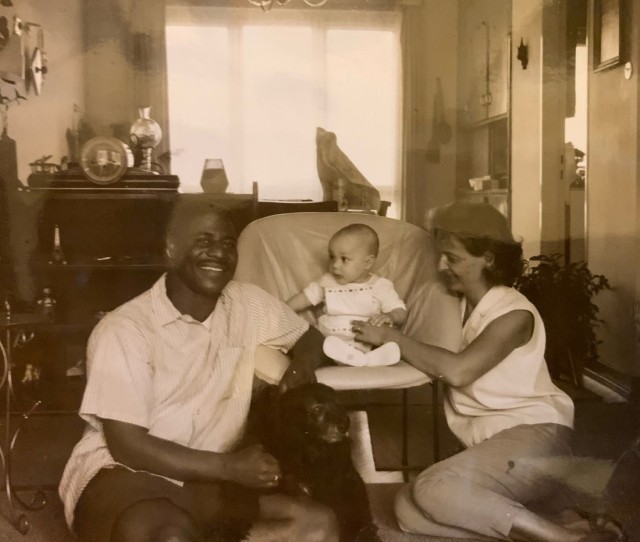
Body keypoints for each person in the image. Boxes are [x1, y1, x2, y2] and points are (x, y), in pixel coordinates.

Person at [58, 200, 338, 542]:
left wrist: (300, 367)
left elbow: (311, 337)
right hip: (125, 474)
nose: (218, 253)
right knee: (171, 535)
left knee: (318, 525)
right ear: (171, 248)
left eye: (227, 243)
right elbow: (127, 446)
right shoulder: (125, 328)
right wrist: (231, 468)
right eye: (203, 241)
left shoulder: (247, 303)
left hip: (205, 478)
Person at [352, 201, 626, 542]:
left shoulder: (514, 313)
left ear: (489, 259)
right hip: (490, 444)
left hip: (537, 438)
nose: (441, 265)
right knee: (407, 510)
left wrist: (391, 336)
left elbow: (459, 372)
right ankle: (561, 528)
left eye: (452, 257)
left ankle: (567, 540)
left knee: (433, 488)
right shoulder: (457, 303)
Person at [286, 223, 406, 367]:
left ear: (367, 262)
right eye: (332, 257)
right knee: (311, 340)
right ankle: (356, 359)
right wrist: (282, 309)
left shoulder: (380, 286)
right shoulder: (327, 281)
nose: (335, 265)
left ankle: (369, 357)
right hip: (328, 340)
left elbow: (400, 310)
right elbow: (304, 298)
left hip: (364, 343)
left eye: (344, 259)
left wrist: (390, 316)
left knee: (386, 339)